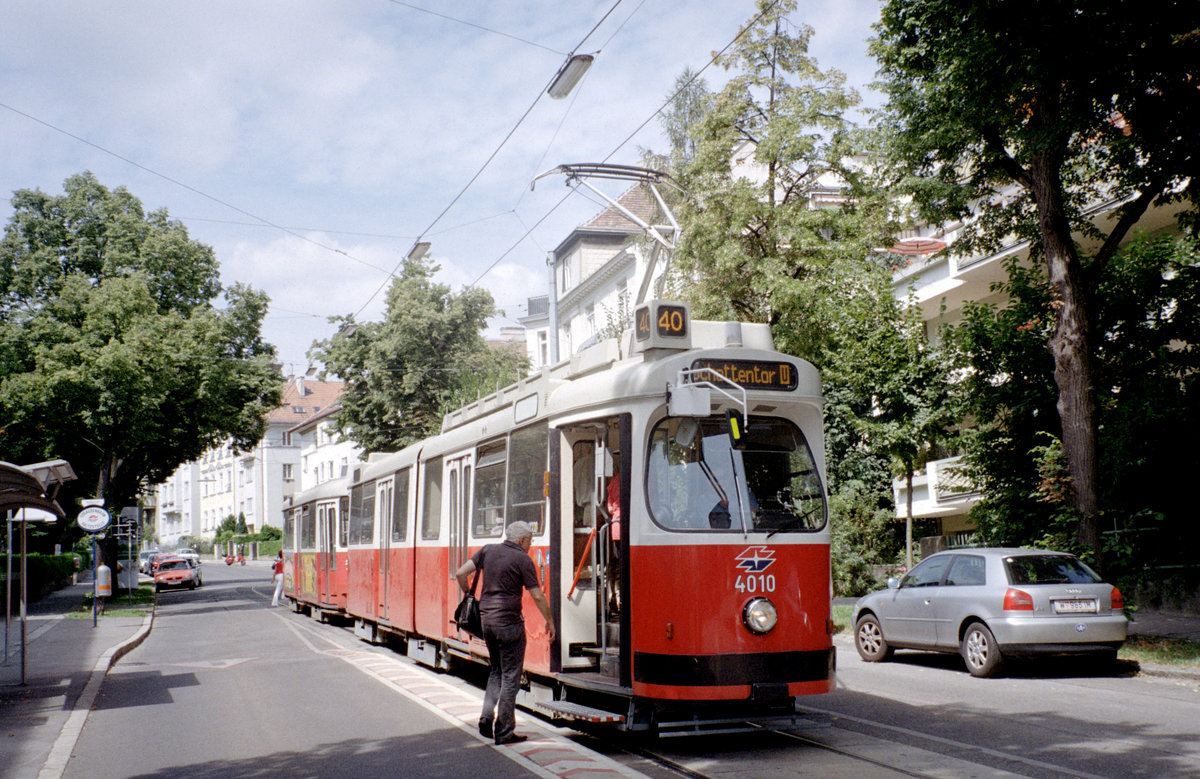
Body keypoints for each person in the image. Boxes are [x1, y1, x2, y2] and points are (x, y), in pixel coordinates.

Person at [455, 521, 554, 746]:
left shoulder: (488, 550)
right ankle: (505, 731)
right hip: (510, 624)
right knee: (511, 676)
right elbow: (538, 596)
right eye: (530, 541)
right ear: (521, 540)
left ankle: (486, 716)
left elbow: (461, 572)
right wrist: (550, 621)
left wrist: (468, 592)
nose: (530, 545)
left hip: (487, 621)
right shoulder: (523, 559)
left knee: (496, 671)